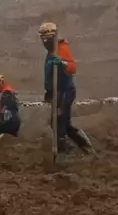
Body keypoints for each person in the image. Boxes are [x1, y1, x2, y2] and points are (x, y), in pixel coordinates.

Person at [38, 22, 92, 154]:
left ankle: (66, 151)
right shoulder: (51, 52)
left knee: (60, 124)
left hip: (65, 91)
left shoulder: (62, 48)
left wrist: (61, 63)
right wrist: (49, 92)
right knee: (60, 124)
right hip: (56, 92)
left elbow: (72, 67)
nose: (45, 41)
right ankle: (84, 147)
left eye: (47, 38)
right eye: (43, 39)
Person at [0, 73, 21, 138]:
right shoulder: (10, 92)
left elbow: (6, 110)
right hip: (15, 120)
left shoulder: (6, 94)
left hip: (9, 121)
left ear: (0, 83)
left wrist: (2, 122)